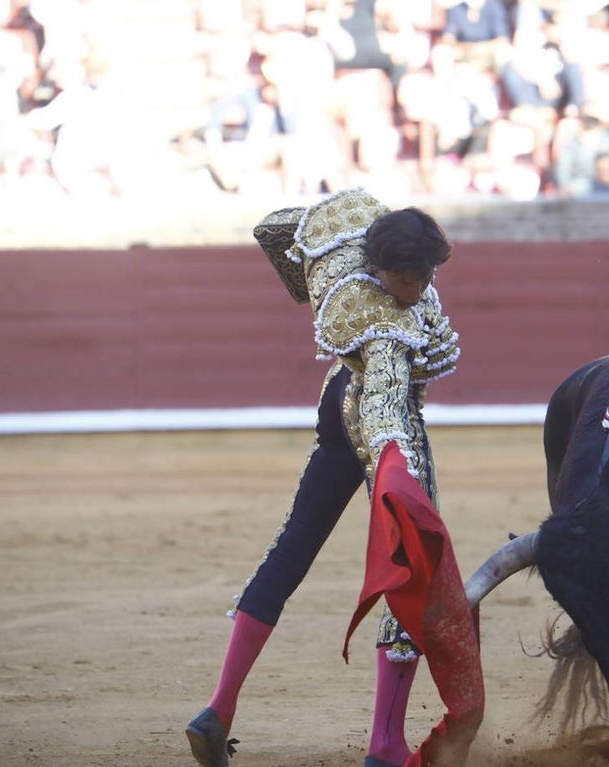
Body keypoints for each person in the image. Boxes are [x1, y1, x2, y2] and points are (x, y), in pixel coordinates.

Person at [185, 188, 482, 767]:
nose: (414, 288)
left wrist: (306, 289)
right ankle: (385, 743)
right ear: (380, 266)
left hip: (335, 398)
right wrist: (397, 461)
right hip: (378, 414)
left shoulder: (350, 240)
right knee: (410, 562)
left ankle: (218, 710)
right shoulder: (387, 328)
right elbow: (386, 399)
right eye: (403, 278)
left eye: (422, 276)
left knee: (293, 545)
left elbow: (276, 228)